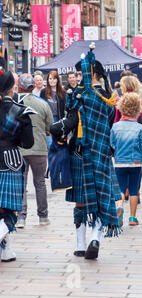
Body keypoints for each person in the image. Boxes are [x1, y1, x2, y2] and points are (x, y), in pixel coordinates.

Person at [50, 48, 121, 260]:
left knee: (81, 201)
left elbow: (70, 123)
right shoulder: (109, 97)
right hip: (101, 154)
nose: (77, 78)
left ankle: (81, 245)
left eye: (81, 74)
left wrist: (55, 129)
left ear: (92, 73)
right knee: (101, 198)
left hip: (80, 155)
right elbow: (107, 124)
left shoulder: (81, 97)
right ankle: (95, 238)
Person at [0, 69, 35, 262]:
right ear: (12, 89)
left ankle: (5, 250)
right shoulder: (20, 111)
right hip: (10, 161)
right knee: (9, 210)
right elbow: (27, 143)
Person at [16, 74, 53, 228]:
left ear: (20, 87)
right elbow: (50, 127)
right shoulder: (42, 104)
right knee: (40, 183)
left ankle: (21, 217)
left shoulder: (15, 104)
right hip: (39, 149)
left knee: (21, 184)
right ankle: (43, 216)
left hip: (20, 149)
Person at [111, 93, 142, 227]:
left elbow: (112, 144)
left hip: (120, 162)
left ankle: (119, 207)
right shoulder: (140, 128)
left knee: (121, 189)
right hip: (135, 162)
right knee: (134, 189)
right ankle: (132, 217)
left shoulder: (115, 126)